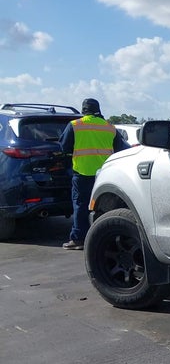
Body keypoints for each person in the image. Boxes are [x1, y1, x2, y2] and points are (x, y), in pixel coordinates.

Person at [59, 98, 129, 250]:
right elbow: (120, 149)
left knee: (81, 206)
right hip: (105, 174)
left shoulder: (75, 125)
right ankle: (108, 238)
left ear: (84, 110)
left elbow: (64, 147)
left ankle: (79, 239)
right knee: (106, 207)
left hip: (83, 173)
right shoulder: (110, 127)